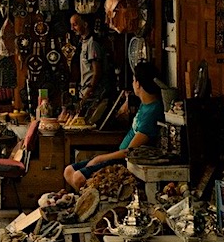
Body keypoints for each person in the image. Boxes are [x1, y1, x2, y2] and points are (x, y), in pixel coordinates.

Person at [63, 62, 164, 190]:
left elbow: (131, 151)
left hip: (125, 161)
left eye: (133, 80)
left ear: (138, 84)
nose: (133, 84)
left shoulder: (153, 111)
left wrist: (100, 158)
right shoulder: (145, 104)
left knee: (79, 177)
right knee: (68, 171)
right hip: (119, 155)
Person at [70, 14, 110, 106]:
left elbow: (97, 71)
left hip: (94, 95)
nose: (72, 28)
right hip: (84, 92)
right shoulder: (82, 43)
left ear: (85, 24)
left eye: (75, 25)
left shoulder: (92, 43)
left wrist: (89, 91)